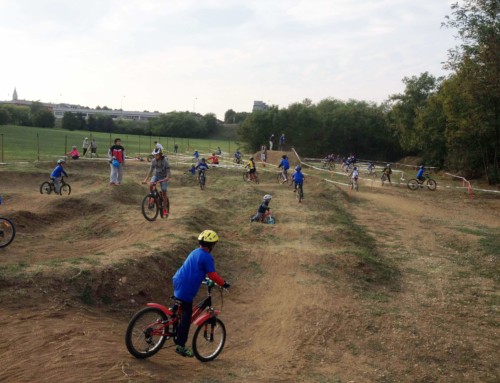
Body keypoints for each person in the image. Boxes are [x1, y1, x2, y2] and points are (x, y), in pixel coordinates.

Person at [172, 230, 230, 357]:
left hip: (177, 280)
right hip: (187, 287)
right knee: (187, 317)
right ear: (211, 245)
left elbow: (195, 270)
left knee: (179, 303)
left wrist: (206, 279)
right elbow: (212, 274)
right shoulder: (207, 257)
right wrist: (223, 283)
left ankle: (173, 314)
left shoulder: (195, 252)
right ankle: (180, 345)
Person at [143, 148, 171, 216]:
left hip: (164, 177)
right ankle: (152, 198)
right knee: (151, 185)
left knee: (164, 192)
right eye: (154, 155)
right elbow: (151, 170)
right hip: (156, 175)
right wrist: (145, 179)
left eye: (157, 155)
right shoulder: (153, 161)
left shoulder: (165, 161)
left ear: (160, 154)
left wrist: (167, 177)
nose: (155, 156)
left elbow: (168, 171)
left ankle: (164, 209)